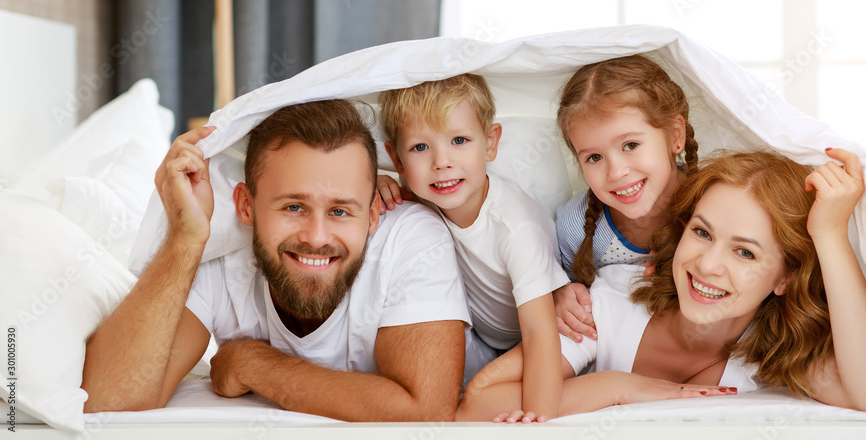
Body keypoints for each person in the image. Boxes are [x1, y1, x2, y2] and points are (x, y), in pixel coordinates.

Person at [81, 100, 471, 422]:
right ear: (245, 206)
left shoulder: (409, 238)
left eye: (340, 211)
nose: (316, 238)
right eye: (294, 206)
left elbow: (426, 413)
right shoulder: (218, 257)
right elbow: (106, 401)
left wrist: (252, 363)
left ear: (371, 214)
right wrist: (184, 238)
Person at [456, 150, 866, 421]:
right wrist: (619, 387)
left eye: (744, 253)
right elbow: (477, 404)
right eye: (702, 233)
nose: (707, 265)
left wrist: (829, 235)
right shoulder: (613, 302)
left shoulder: (774, 352)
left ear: (784, 277)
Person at [378, 74, 569, 421]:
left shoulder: (514, 226)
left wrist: (536, 418)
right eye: (421, 147)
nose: (441, 162)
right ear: (398, 159)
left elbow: (540, 334)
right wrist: (374, 181)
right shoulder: (428, 191)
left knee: (480, 405)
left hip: (539, 336)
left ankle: (615, 387)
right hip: (483, 337)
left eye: (460, 140)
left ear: (490, 143)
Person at [552, 54, 699, 343]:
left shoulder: (714, 207)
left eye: (631, 145)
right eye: (594, 157)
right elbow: (566, 286)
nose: (617, 172)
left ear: (675, 135)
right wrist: (559, 294)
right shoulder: (575, 227)